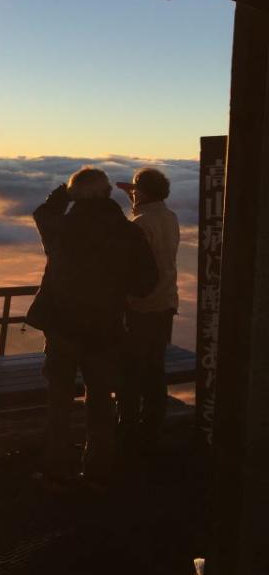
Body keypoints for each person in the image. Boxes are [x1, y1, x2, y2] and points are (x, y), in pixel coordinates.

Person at [26, 167, 157, 491]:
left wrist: (65, 194)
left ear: (76, 195)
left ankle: (57, 470)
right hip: (105, 329)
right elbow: (146, 285)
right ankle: (98, 471)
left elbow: (42, 212)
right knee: (100, 400)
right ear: (107, 194)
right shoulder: (128, 234)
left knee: (59, 399)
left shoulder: (60, 228)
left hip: (62, 329)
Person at [115, 168, 180, 455]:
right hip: (166, 304)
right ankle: (152, 429)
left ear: (142, 192)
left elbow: (132, 269)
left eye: (135, 190)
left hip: (140, 306)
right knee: (155, 369)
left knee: (129, 371)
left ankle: (127, 430)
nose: (132, 194)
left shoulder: (140, 224)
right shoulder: (170, 218)